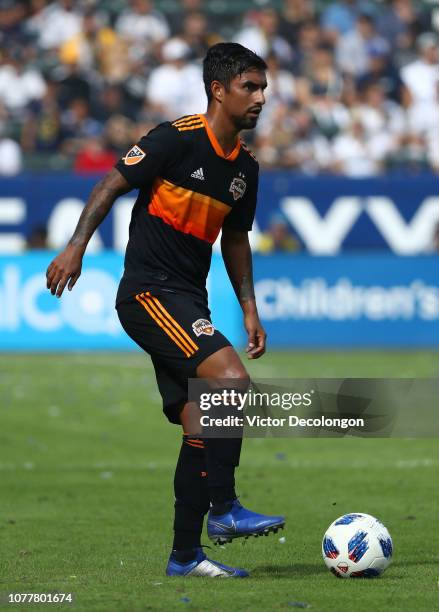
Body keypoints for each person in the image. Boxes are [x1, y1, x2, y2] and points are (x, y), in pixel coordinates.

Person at [46, 42, 285, 578]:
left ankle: (185, 557)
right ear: (218, 90)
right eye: (251, 86)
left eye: (264, 87)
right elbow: (110, 183)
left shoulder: (244, 168)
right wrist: (76, 246)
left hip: (187, 298)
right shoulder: (175, 140)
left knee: (200, 424)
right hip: (148, 294)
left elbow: (237, 239)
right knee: (230, 380)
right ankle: (223, 509)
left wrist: (249, 308)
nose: (262, 97)